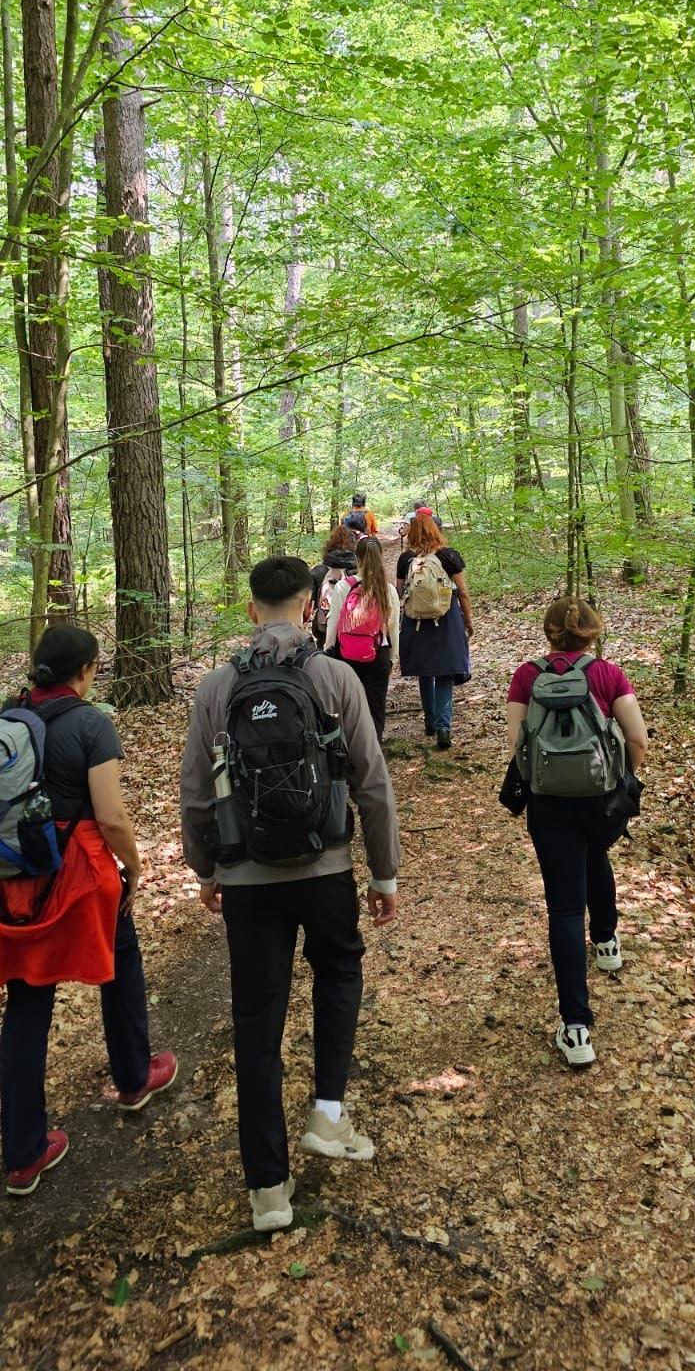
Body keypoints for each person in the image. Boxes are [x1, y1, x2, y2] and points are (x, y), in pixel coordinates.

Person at [181, 556, 400, 1234]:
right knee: (338, 970)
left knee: (256, 1018)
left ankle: (267, 1189)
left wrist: (206, 870)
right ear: (309, 608)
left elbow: (194, 793)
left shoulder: (217, 688)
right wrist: (383, 873)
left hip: (247, 878)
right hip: (325, 867)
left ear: (252, 611)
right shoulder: (333, 677)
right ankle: (327, 1112)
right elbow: (371, 782)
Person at [0, 627, 177, 1197]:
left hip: (18, 880)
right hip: (78, 875)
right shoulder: (91, 724)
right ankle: (133, 1077)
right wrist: (134, 867)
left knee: (28, 1001)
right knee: (120, 964)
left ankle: (24, 1153)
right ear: (88, 670)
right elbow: (112, 817)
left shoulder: (9, 718)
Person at [506, 596, 648, 1068]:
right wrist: (621, 776)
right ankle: (606, 944)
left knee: (564, 906)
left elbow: (517, 747)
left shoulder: (527, 676)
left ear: (547, 631)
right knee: (597, 857)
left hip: (549, 805)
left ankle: (576, 1028)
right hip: (602, 799)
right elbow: (638, 739)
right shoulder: (609, 674)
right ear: (593, 631)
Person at [396, 514, 474, 750]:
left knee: (425, 671)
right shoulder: (449, 556)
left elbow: (400, 593)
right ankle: (443, 727)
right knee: (444, 673)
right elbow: (463, 593)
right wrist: (468, 621)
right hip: (446, 618)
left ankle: (429, 721)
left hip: (416, 621)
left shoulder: (406, 559)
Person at [324, 536, 400, 742]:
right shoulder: (388, 589)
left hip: (347, 656)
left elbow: (334, 624)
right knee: (376, 708)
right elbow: (393, 628)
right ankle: (373, 756)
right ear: (381, 557)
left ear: (356, 558)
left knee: (349, 708)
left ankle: (351, 755)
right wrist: (393, 657)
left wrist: (327, 650)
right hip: (378, 654)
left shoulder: (343, 587)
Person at [309, 525, 358, 649]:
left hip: (324, 632)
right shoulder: (359, 572)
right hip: (355, 630)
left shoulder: (318, 572)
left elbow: (310, 604)